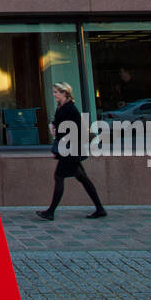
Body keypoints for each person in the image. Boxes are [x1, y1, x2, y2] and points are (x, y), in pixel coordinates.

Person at [36, 82, 106, 221]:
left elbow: (74, 130)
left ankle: (50, 212)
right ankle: (100, 208)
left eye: (56, 92)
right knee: (83, 178)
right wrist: (53, 126)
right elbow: (59, 124)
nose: (54, 94)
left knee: (59, 177)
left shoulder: (70, 109)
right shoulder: (61, 107)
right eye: (54, 91)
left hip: (70, 149)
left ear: (64, 93)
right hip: (69, 149)